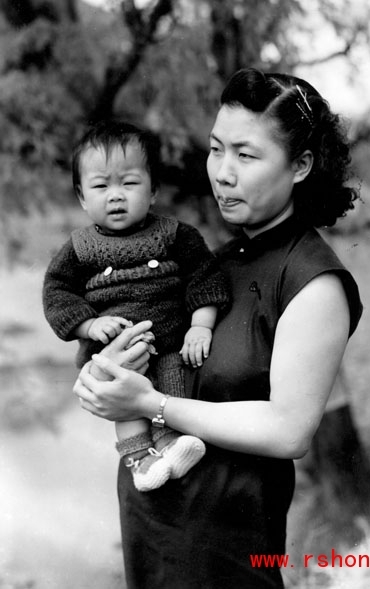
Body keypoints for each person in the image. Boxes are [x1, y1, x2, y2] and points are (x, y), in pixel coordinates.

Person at [74, 68, 363, 588]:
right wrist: (103, 377)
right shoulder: (214, 262)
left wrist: (149, 405)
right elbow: (155, 358)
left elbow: (288, 429)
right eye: (215, 149)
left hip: (230, 552)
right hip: (155, 529)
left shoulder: (313, 282)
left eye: (246, 156)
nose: (222, 172)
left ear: (300, 166)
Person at [43, 120, 230, 492]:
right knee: (121, 392)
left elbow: (205, 277)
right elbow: (57, 291)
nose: (115, 195)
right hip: (115, 350)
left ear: (154, 190)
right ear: (82, 198)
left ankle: (169, 442)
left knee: (172, 378)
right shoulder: (79, 248)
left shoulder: (176, 235)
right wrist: (88, 326)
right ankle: (140, 462)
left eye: (129, 183)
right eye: (100, 186)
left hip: (172, 342)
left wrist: (201, 326)